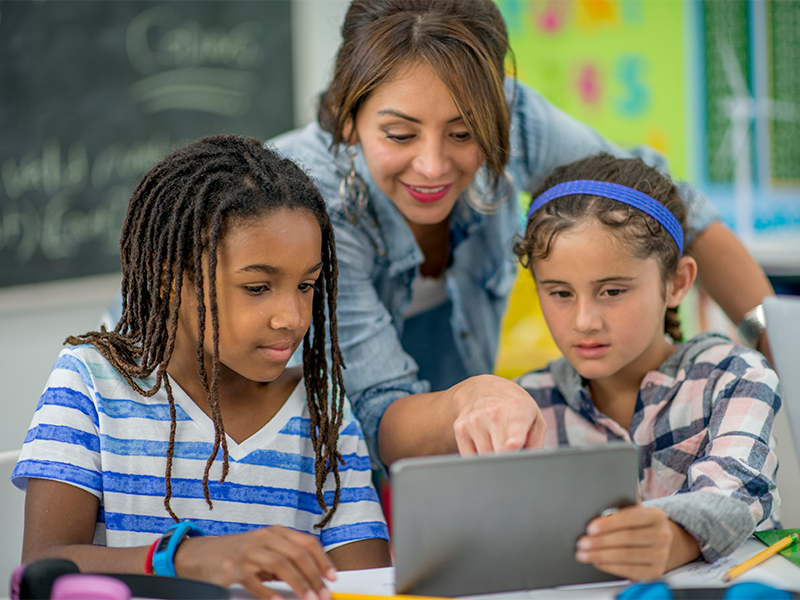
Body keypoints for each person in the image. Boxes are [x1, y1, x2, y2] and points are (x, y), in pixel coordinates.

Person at [268, 0, 775, 470]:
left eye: (464, 134)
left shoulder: (509, 117)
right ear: (350, 119)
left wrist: (776, 354)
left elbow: (667, 206)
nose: (432, 165)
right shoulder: (309, 202)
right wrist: (470, 399)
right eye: (400, 135)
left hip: (463, 422)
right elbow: (375, 409)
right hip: (335, 448)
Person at [12, 135, 391, 600]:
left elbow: (370, 586)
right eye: (257, 287)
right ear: (170, 278)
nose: (291, 317)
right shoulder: (91, 382)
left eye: (307, 285)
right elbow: (41, 568)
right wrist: (182, 559)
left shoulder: (322, 408)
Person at [513, 153, 781, 581]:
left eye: (613, 290)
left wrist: (677, 535)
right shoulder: (525, 404)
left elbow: (738, 490)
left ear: (676, 283)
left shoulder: (734, 375)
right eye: (561, 293)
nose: (584, 321)